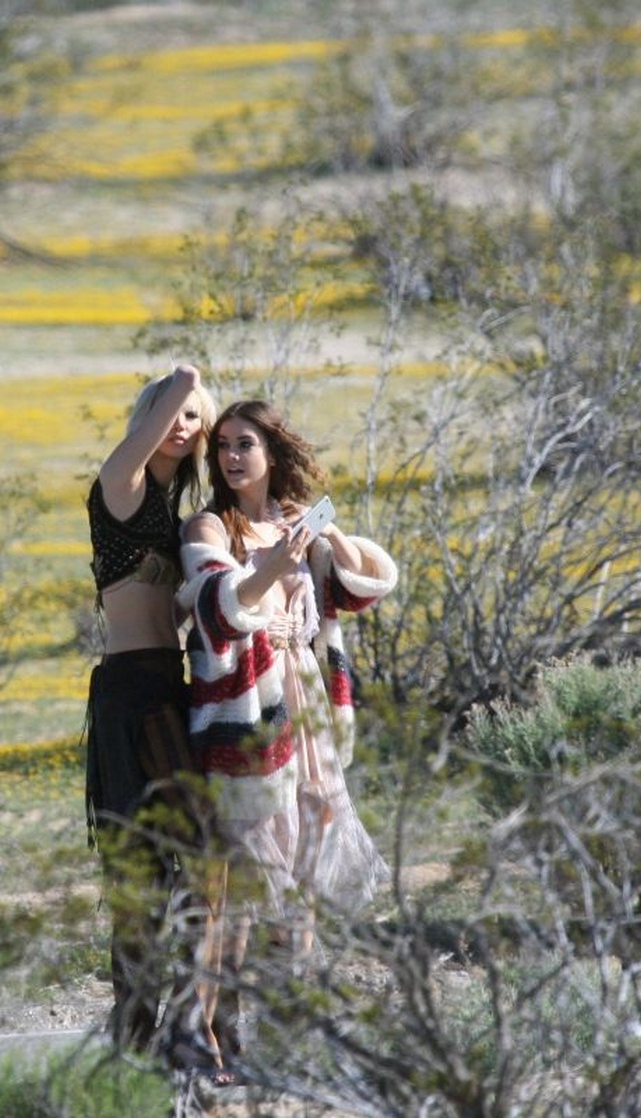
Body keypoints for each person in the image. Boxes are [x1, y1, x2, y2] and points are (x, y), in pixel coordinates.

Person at [174, 398, 397, 1070]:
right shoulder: (209, 525)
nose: (231, 457)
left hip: (308, 720)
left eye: (245, 444)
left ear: (272, 453)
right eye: (222, 447)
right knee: (244, 886)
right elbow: (220, 603)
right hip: (246, 718)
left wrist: (322, 537)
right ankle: (220, 1035)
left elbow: (367, 584)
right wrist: (277, 559)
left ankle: (288, 1042)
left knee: (300, 880)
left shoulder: (295, 521)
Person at [83, 363, 218, 1065]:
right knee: (139, 868)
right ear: (146, 415)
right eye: (170, 411)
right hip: (130, 692)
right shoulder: (122, 487)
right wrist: (186, 378)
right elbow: (156, 417)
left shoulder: (177, 508)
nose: (181, 424)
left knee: (195, 860)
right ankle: (134, 1034)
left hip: (173, 685)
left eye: (194, 416)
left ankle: (185, 1024)